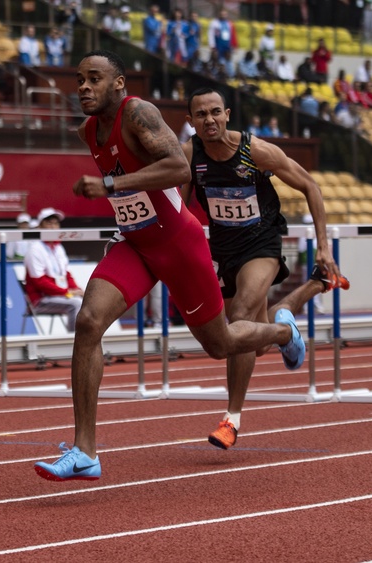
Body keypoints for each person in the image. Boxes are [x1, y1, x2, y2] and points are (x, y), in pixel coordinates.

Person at [33, 50, 306, 482]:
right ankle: (85, 451)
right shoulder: (90, 130)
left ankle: (283, 331)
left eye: (94, 79)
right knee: (88, 321)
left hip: (179, 245)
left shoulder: (138, 113)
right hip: (137, 245)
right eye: (80, 80)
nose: (83, 87)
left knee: (219, 345)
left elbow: (178, 166)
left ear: (118, 84)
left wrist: (109, 185)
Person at [182, 88, 349, 450]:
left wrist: (322, 245)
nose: (209, 120)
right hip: (224, 249)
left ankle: (231, 419)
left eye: (215, 112)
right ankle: (288, 325)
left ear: (227, 114)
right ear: (191, 121)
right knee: (251, 342)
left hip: (262, 243)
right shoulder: (189, 157)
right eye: (200, 115)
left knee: (240, 316)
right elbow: (178, 211)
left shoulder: (254, 151)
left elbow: (310, 185)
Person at [23, 208, 84, 332]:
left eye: (55, 223)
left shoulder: (58, 248)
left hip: (60, 295)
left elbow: (66, 274)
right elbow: (40, 282)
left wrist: (76, 289)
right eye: (49, 223)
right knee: (76, 304)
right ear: (40, 226)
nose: (53, 227)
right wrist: (67, 292)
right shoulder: (35, 249)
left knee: (89, 299)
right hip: (41, 300)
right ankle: (74, 343)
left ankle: (89, 341)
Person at [208, 8, 237, 76]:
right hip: (218, 46)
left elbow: (232, 35)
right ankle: (216, 75)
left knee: (228, 62)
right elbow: (211, 35)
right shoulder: (214, 23)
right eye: (222, 14)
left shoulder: (229, 23)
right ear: (219, 14)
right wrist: (212, 46)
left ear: (227, 15)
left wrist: (234, 46)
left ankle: (231, 75)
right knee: (219, 62)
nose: (223, 16)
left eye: (225, 14)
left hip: (227, 46)